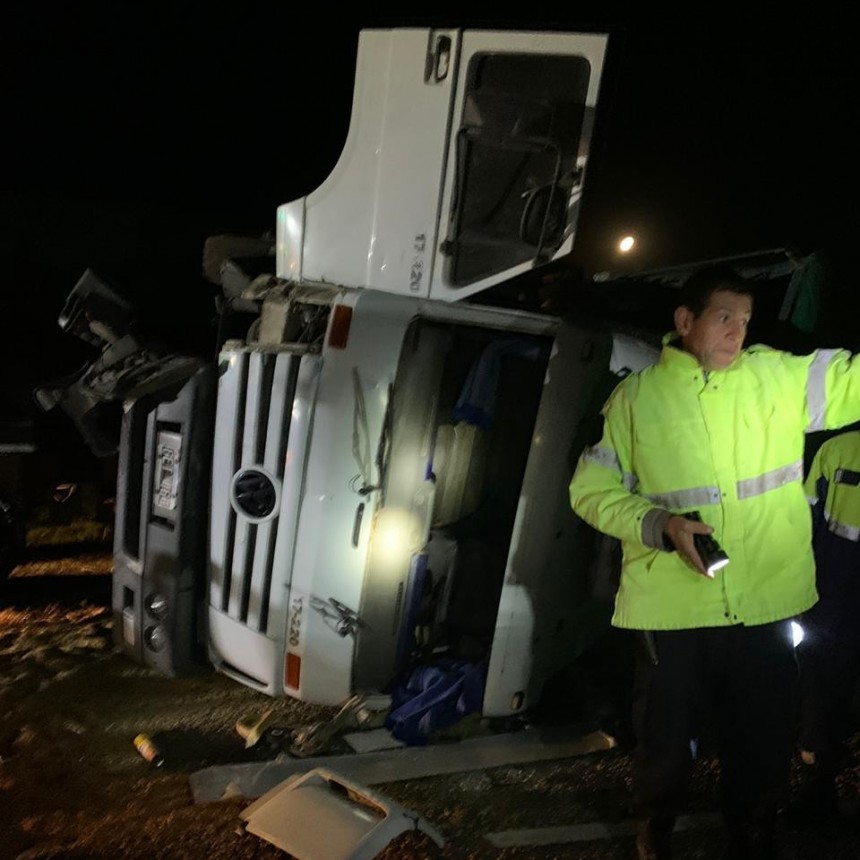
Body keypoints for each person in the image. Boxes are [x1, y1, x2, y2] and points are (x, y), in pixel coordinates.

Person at [568, 264, 860, 860]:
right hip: (672, 608)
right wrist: (660, 525)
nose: (737, 333)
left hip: (766, 601)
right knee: (665, 739)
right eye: (725, 317)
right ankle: (655, 830)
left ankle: (753, 833)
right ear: (685, 321)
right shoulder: (636, 399)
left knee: (761, 732)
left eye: (745, 321)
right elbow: (589, 491)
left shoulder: (776, 378)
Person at [795, 428, 860, 816]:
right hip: (834, 593)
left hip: (834, 591)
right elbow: (804, 520)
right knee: (822, 684)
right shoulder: (836, 451)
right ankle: (818, 787)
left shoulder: (837, 450)